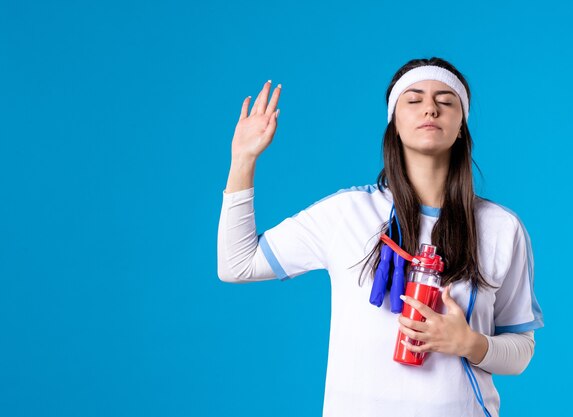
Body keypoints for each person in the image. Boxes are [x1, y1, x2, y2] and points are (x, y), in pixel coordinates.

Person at [217, 57, 544, 417]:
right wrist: (242, 160)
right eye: (414, 99)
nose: (431, 109)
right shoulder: (347, 212)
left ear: (462, 126)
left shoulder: (500, 227)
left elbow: (521, 351)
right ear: (394, 123)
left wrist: (471, 343)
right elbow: (237, 264)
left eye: (446, 101)